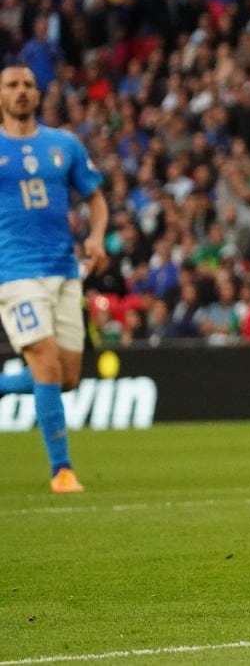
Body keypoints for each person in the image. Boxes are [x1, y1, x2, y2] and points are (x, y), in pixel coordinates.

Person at [0, 65, 108, 493]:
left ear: (38, 94)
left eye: (28, 85)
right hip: (15, 272)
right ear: (1, 96)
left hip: (64, 271)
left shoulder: (64, 145)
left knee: (65, 378)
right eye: (12, 85)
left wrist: (97, 237)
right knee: (44, 361)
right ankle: (61, 470)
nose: (21, 91)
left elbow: (96, 199)